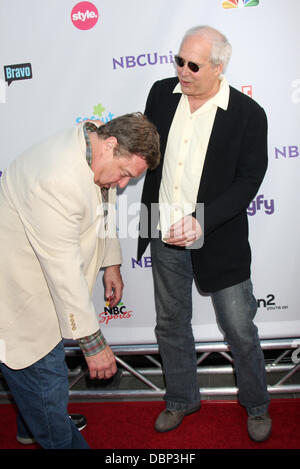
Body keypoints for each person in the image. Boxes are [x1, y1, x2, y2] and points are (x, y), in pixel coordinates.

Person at [138, 26, 271, 442]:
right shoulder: (161, 93)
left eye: (193, 65)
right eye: (179, 60)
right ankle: (180, 399)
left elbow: (250, 180)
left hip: (217, 233)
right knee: (170, 322)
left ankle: (256, 405)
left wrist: (203, 218)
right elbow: (146, 154)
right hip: (161, 226)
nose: (183, 71)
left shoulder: (249, 114)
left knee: (238, 327)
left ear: (218, 66)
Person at [0, 112, 160, 449]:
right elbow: (63, 268)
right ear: (111, 144)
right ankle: (47, 423)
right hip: (21, 294)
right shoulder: (55, 178)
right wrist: (93, 343)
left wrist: (111, 263)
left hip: (46, 282)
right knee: (45, 373)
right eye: (125, 174)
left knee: (42, 376)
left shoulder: (94, 145)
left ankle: (32, 424)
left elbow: (104, 205)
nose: (122, 184)